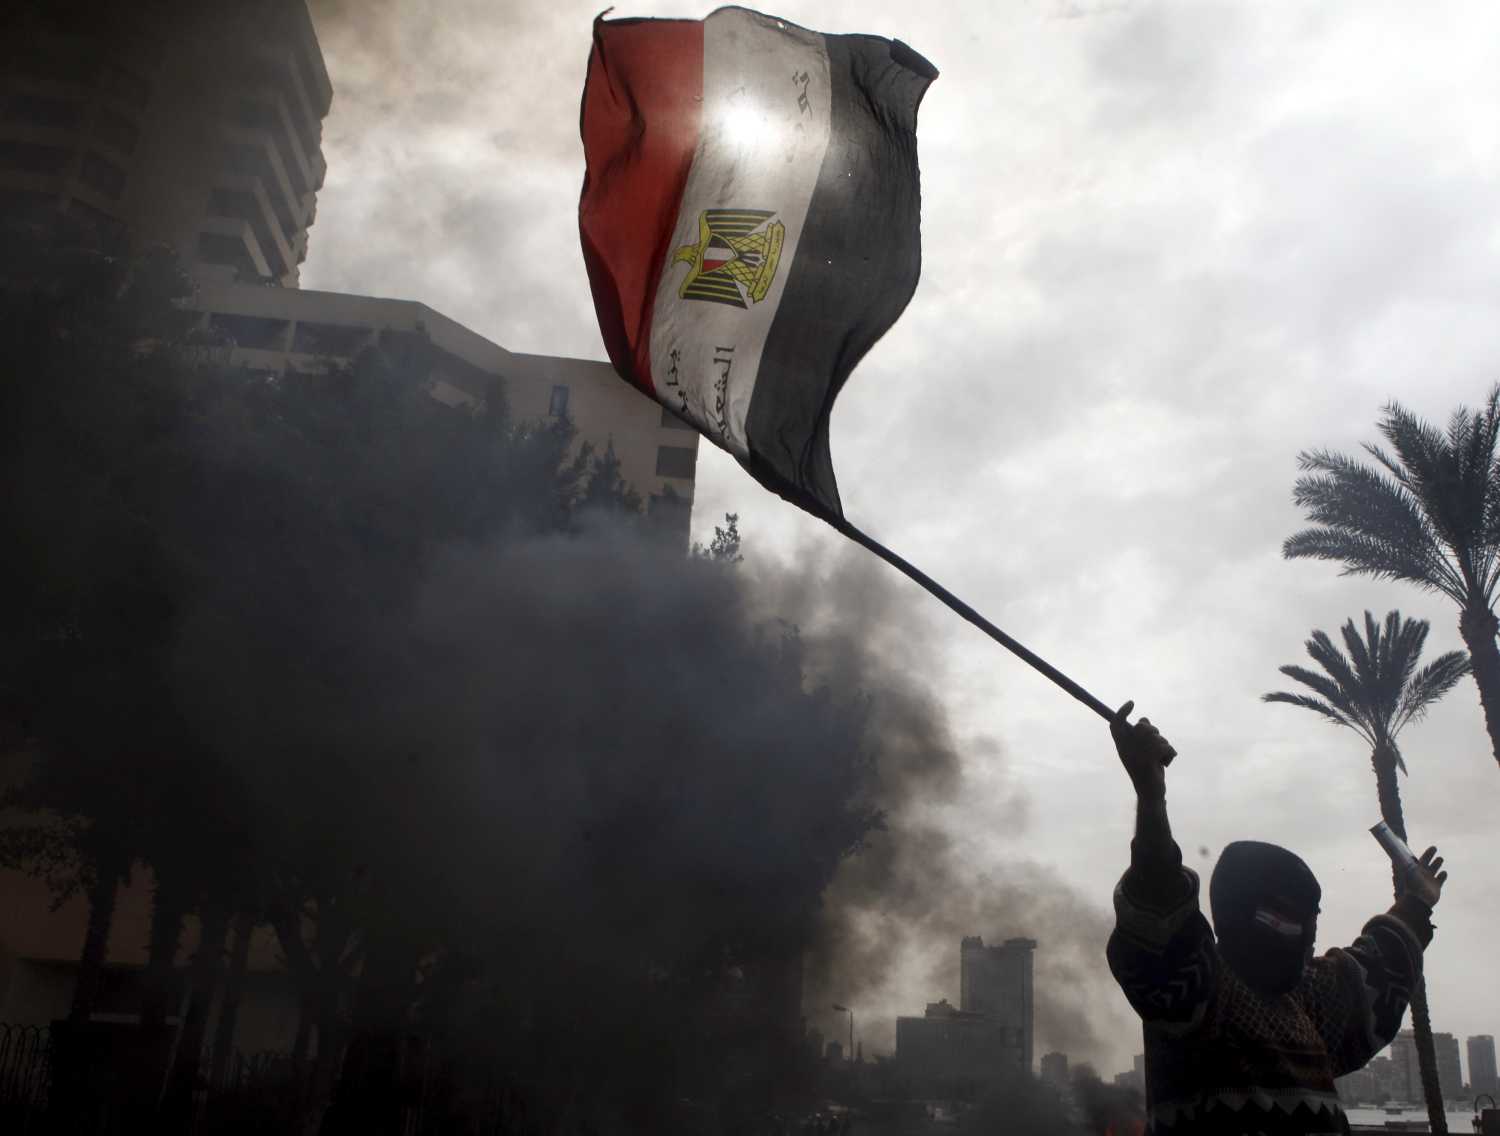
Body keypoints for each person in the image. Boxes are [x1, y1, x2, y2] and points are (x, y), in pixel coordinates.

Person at [1105, 701, 1446, 1135]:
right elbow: (1159, 907)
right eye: (1286, 918)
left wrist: (1417, 903)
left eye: (1312, 917)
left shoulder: (1311, 1002)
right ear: (1238, 915)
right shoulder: (1200, 994)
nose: (1308, 935)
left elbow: (1375, 967)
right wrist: (1152, 798)